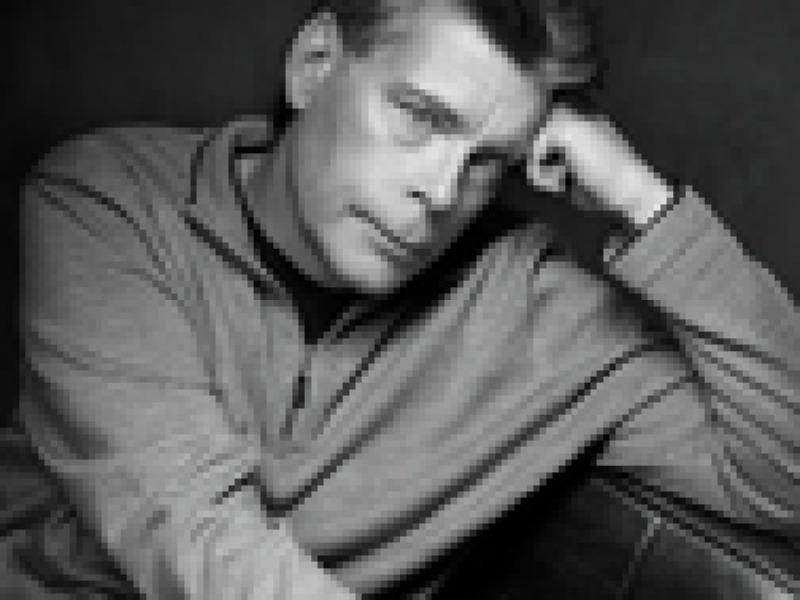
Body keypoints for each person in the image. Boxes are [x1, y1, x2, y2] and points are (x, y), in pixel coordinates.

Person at [13, 0, 799, 598]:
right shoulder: (110, 201)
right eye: (420, 116)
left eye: (488, 161)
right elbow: (193, 535)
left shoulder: (538, 313)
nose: (443, 190)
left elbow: (786, 479)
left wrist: (641, 198)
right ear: (315, 63)